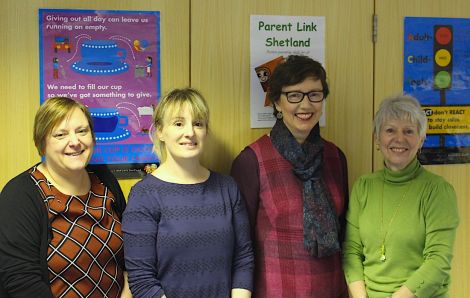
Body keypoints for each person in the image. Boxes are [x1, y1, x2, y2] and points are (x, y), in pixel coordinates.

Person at [231, 55, 349, 297]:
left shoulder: (335, 157)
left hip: (332, 288)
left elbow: (345, 233)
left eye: (315, 94)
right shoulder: (252, 160)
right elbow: (241, 245)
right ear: (276, 101)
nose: (305, 105)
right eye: (294, 95)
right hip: (276, 289)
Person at [122, 88, 254, 298]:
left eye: (198, 123)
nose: (190, 132)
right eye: (178, 123)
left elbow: (243, 259)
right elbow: (142, 280)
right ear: (160, 131)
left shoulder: (227, 188)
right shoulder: (145, 195)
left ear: (206, 131)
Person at [0, 97, 131, 298]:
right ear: (42, 143)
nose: (75, 142)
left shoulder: (105, 180)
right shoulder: (21, 194)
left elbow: (132, 252)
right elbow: (21, 280)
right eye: (61, 134)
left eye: (82, 131)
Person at [342, 94, 459, 298]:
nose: (399, 139)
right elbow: (351, 251)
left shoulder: (438, 191)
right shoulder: (363, 186)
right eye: (390, 130)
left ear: (421, 139)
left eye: (408, 131)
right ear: (377, 138)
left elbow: (438, 261)